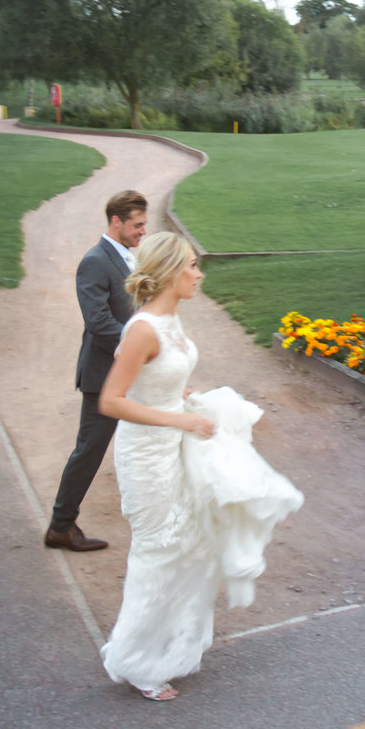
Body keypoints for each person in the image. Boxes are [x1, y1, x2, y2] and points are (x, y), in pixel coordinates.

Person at [98, 232, 302, 701]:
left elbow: (161, 379)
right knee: (157, 551)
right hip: (147, 454)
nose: (198, 273)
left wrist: (187, 398)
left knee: (189, 545)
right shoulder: (143, 328)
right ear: (169, 271)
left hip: (177, 440)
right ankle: (136, 662)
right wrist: (179, 418)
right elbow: (110, 401)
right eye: (190, 265)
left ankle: (164, 648)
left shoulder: (170, 320)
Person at [45, 190, 148, 552]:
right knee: (89, 450)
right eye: (137, 225)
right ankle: (60, 525)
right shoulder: (95, 261)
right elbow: (99, 322)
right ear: (116, 222)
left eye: (144, 225)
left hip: (132, 372)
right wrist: (142, 345)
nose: (142, 231)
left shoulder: (127, 258)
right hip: (105, 375)